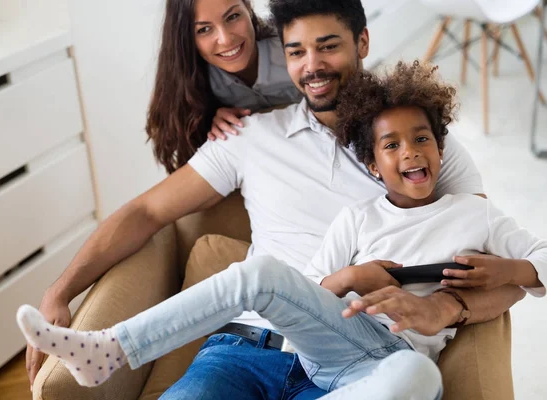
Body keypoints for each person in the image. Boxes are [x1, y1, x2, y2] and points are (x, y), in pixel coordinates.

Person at [27, 0, 528, 397]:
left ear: (363, 41)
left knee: (414, 380)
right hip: (242, 351)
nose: (312, 67)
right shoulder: (250, 136)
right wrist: (61, 290)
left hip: (360, 357)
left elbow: (494, 265)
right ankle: (110, 349)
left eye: (328, 47)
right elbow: (145, 212)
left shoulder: (422, 148)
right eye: (295, 52)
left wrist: (447, 310)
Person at [147, 0, 302, 174]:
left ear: (248, 8)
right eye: (204, 29)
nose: (226, 39)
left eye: (233, 16)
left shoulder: (296, 45)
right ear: (186, 37)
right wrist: (209, 124)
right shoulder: (192, 81)